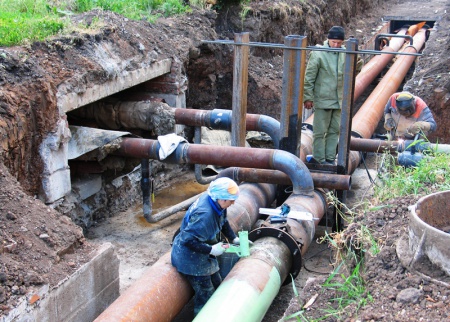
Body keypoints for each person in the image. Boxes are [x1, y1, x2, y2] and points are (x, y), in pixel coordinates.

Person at [171, 177, 240, 316]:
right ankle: (202, 315)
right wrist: (211, 250)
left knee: (217, 283)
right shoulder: (205, 215)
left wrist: (234, 238)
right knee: (205, 293)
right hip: (189, 257)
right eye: (231, 200)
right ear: (222, 199)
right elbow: (187, 240)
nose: (233, 203)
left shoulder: (215, 202)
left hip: (201, 250)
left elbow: (223, 221)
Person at [303, 26, 348, 165]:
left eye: (339, 43)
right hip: (323, 99)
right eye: (334, 42)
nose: (336, 45)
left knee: (334, 130)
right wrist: (308, 97)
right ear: (328, 40)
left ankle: (329, 159)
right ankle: (318, 159)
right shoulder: (318, 53)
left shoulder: (345, 53)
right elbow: (309, 77)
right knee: (319, 132)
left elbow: (355, 66)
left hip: (338, 99)